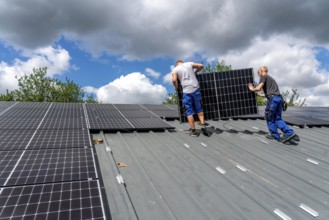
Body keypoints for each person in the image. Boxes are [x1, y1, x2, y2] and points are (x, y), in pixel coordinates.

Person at [248, 66, 300, 143]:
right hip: (279, 99)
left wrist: (251, 88)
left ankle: (274, 134)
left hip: (273, 99)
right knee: (277, 118)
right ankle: (290, 133)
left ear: (262, 71)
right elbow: (271, 93)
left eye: (258, 72)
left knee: (269, 117)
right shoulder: (271, 79)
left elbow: (258, 88)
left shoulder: (264, 76)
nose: (258, 75)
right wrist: (259, 95)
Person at [172, 60, 207, 136]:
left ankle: (194, 131)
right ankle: (203, 125)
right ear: (182, 62)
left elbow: (174, 80)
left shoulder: (175, 69)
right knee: (199, 108)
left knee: (189, 111)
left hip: (187, 91)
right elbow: (201, 65)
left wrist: (176, 87)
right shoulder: (189, 64)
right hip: (196, 88)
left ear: (176, 64)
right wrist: (195, 72)